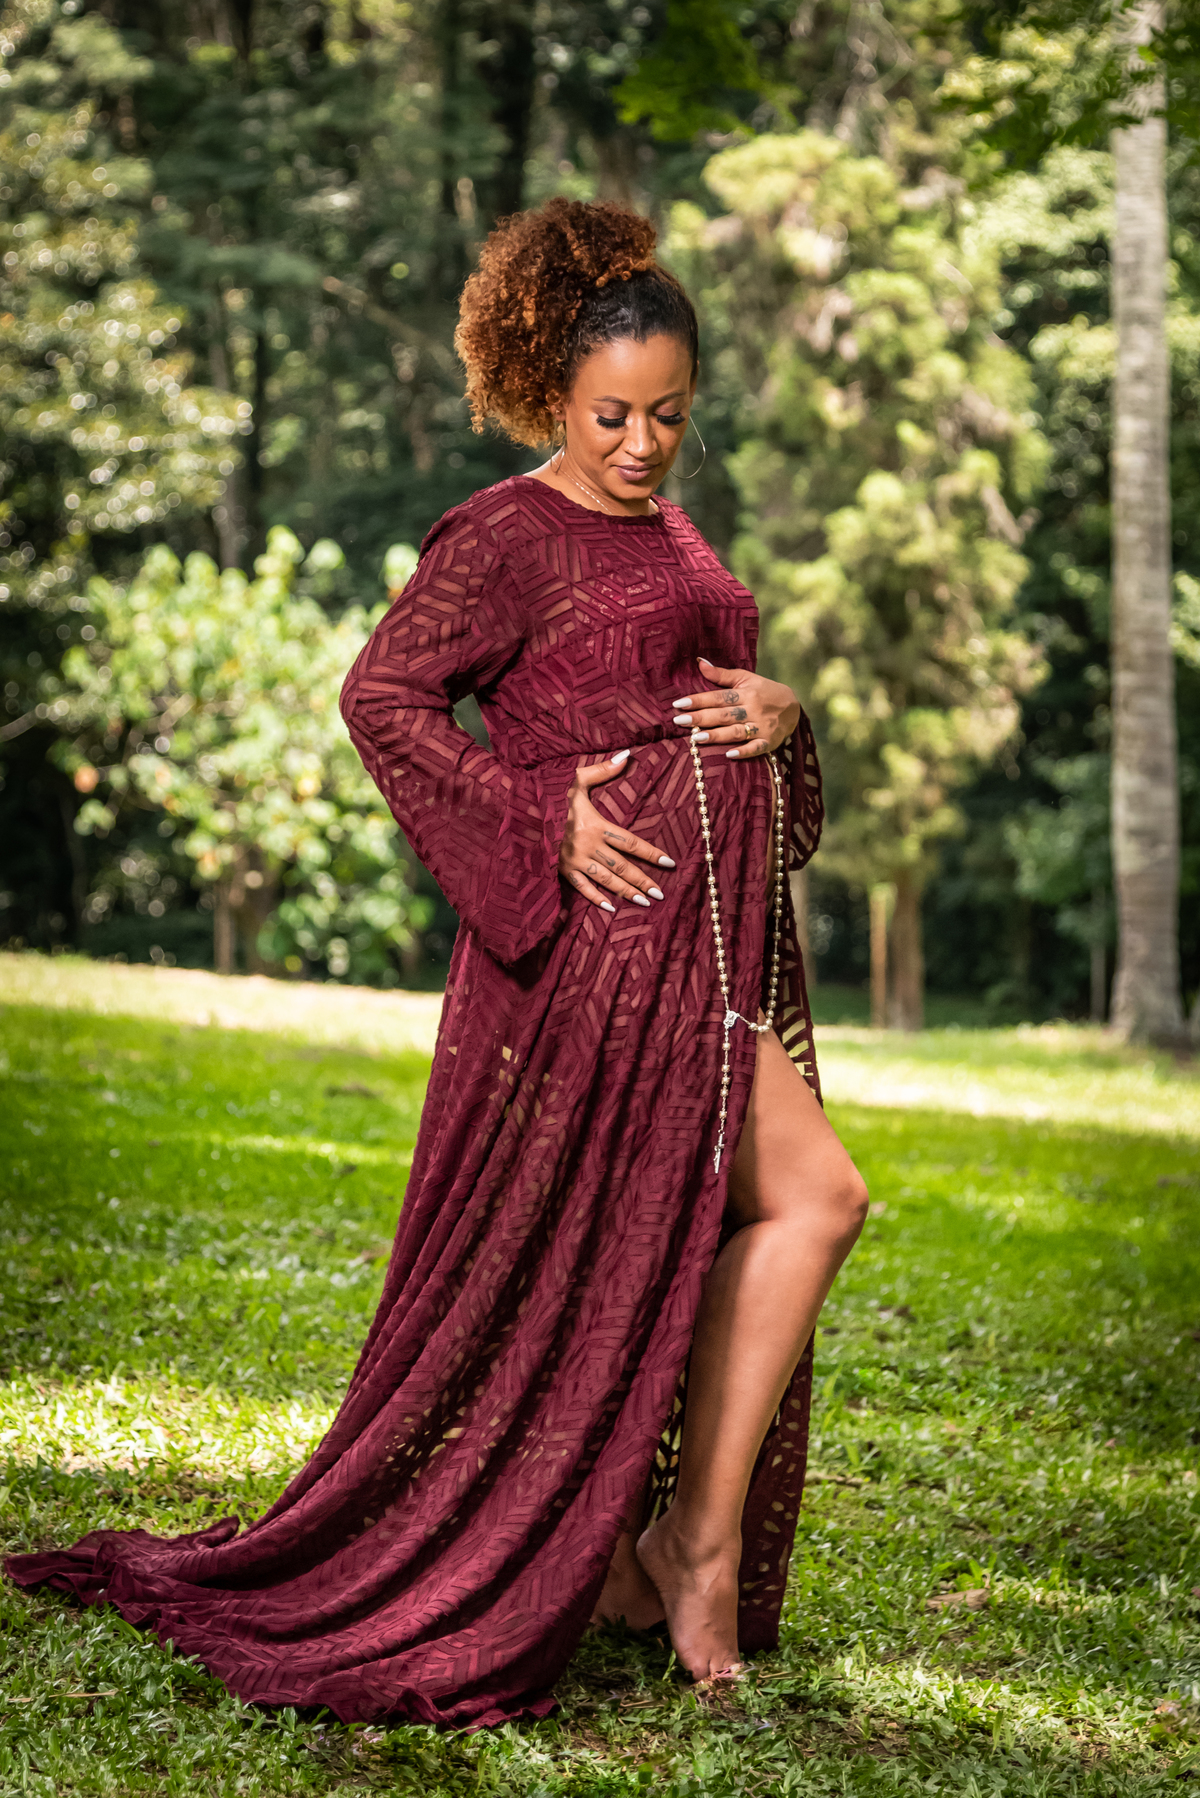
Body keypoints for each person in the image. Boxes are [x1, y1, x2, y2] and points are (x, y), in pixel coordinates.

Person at [6, 197, 866, 1728]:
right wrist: (540, 818)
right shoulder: (504, 534)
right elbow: (383, 696)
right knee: (798, 1201)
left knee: (808, 1202)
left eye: (670, 413)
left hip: (705, 959)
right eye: (612, 415)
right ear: (553, 391)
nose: (643, 443)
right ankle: (679, 1548)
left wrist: (783, 709)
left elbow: (697, 685)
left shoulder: (669, 528)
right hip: (599, 966)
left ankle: (684, 1539)